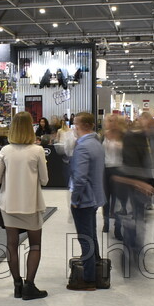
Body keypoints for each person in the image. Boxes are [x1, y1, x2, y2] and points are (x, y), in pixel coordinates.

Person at [0, 111, 49, 301]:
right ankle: (29, 285)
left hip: (8, 204)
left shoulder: (5, 150)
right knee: (35, 245)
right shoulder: (38, 150)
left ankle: (17, 284)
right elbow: (45, 180)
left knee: (11, 245)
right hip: (31, 204)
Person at [67, 112, 105, 292]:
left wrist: (75, 199)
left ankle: (89, 279)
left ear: (83, 125)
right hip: (94, 197)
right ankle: (96, 269)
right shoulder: (96, 143)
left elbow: (80, 178)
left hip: (84, 199)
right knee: (91, 235)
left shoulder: (83, 147)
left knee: (85, 238)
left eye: (75, 124)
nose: (73, 127)